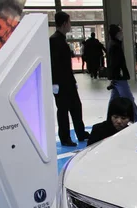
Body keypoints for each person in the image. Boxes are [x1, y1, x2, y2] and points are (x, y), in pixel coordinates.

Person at [49, 11, 89, 147]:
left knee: (76, 107)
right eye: (69, 22)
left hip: (68, 82)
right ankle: (65, 137)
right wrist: (54, 83)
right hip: (60, 83)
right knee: (63, 111)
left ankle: (81, 133)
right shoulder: (54, 40)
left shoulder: (61, 39)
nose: (70, 25)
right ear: (65, 23)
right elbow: (54, 64)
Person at [107, 24, 137, 122]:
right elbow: (115, 63)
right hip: (119, 77)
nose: (122, 33)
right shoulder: (115, 46)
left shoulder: (113, 44)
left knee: (114, 99)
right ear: (117, 33)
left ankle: (109, 118)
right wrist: (118, 75)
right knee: (128, 98)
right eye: (120, 31)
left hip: (116, 77)